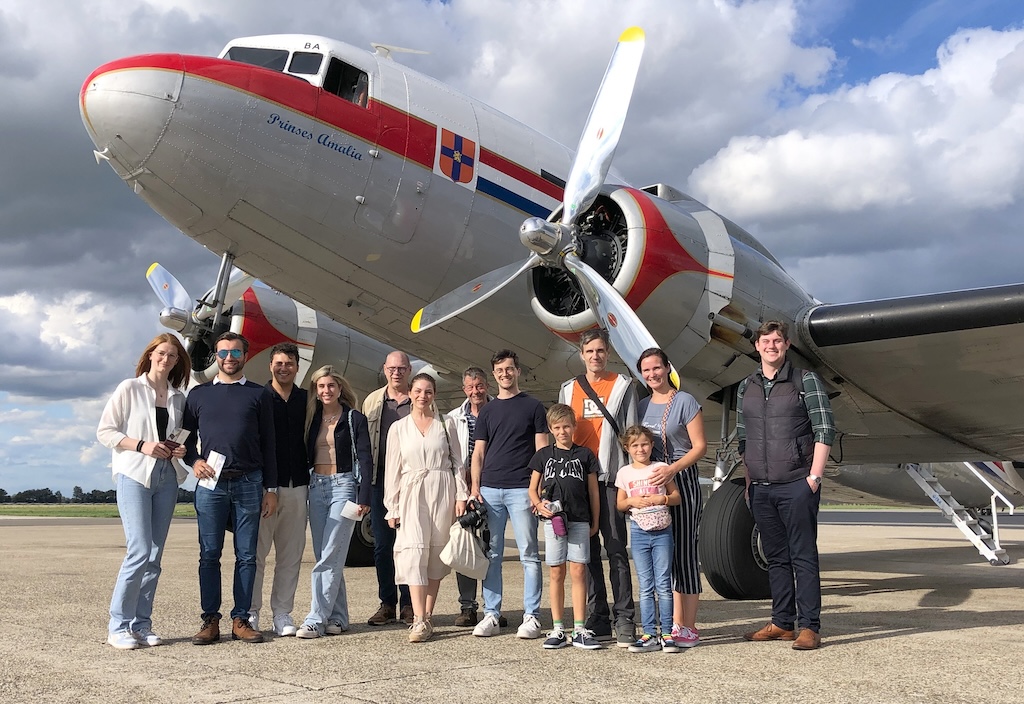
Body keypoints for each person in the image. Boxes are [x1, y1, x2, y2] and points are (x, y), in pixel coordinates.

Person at [738, 320, 835, 651]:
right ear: (757, 346)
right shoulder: (745, 386)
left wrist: (814, 478)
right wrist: (750, 482)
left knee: (803, 555)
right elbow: (742, 438)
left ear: (787, 345)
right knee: (776, 557)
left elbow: (824, 429)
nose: (771, 346)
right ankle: (781, 622)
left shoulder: (805, 380)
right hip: (761, 488)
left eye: (777, 341)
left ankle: (810, 626)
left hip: (797, 483)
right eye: (766, 341)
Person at [97, 333, 191, 650]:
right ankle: (118, 626)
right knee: (138, 550)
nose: (166, 359)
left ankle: (142, 624)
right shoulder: (130, 388)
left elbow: (180, 437)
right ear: (151, 355)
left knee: (154, 556)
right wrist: (143, 446)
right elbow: (106, 432)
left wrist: (179, 450)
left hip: (167, 477)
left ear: (178, 361)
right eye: (161, 353)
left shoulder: (179, 397)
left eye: (172, 355)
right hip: (134, 473)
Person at [183, 332, 278, 645]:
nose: (229, 358)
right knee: (209, 554)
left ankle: (241, 619)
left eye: (235, 352)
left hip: (249, 481)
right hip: (210, 484)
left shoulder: (259, 395)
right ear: (215, 355)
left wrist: (271, 488)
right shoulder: (197, 396)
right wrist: (194, 462)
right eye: (223, 352)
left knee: (247, 555)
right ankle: (210, 620)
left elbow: (270, 444)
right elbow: (183, 440)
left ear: (245, 355)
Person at [557, 328, 637, 646]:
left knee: (616, 549)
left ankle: (625, 617)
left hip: (611, 480)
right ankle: (598, 616)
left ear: (608, 353)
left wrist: (630, 482)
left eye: (601, 351)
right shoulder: (568, 389)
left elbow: (630, 435)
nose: (595, 356)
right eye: (589, 351)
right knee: (586, 553)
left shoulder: (622, 386)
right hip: (578, 482)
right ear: (581, 354)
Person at [384, 373, 469, 642]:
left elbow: (457, 462)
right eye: (418, 391)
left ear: (434, 394)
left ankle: (428, 615)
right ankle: (418, 619)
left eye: (429, 391)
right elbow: (392, 470)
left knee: (435, 553)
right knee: (413, 552)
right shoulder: (399, 428)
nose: (423, 396)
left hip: (441, 489)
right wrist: (392, 507)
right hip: (411, 492)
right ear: (410, 393)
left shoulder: (447, 424)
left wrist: (461, 495)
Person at [470, 349, 548, 639]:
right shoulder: (487, 411)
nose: (505, 373)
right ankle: (491, 613)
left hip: (522, 489)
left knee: (529, 553)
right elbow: (478, 452)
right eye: (500, 370)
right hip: (490, 489)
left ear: (518, 371)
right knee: (492, 554)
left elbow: (542, 450)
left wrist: (537, 489)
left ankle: (532, 616)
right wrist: (475, 486)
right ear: (494, 375)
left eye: (510, 368)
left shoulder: (533, 406)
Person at [636, 347, 707, 648]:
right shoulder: (640, 407)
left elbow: (700, 446)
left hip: (683, 480)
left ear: (667, 368)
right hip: (653, 485)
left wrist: (672, 470)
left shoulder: (685, 401)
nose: (652, 374)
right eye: (646, 370)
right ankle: (670, 625)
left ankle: (687, 626)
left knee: (685, 553)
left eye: (657, 368)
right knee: (664, 553)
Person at [295, 365, 372, 639]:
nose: (326, 391)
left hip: (345, 486)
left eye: (331, 386)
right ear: (316, 391)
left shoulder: (354, 419)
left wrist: (364, 497)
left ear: (340, 388)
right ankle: (338, 618)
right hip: (317, 486)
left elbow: (365, 458)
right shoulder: (312, 418)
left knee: (329, 554)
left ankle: (315, 619)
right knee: (327, 556)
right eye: (321, 386)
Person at [527, 403, 601, 650]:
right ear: (550, 429)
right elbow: (532, 488)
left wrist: (595, 520)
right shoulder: (543, 456)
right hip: (554, 521)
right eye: (557, 428)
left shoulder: (585, 455)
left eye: (566, 426)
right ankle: (558, 627)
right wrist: (539, 504)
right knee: (556, 572)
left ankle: (579, 627)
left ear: (574, 427)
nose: (562, 432)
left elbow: (593, 491)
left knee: (579, 571)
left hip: (579, 518)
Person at [250, 343, 308, 637]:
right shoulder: (259, 398)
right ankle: (251, 613)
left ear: (298, 367)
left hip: (298, 485)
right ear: (270, 366)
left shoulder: (308, 400)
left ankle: (282, 613)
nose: (283, 368)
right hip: (263, 489)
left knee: (290, 555)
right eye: (279, 363)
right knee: (256, 554)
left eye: (289, 363)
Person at [446, 367, 506, 628]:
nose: (475, 391)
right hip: (465, 488)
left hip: (492, 485)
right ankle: (467, 607)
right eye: (470, 387)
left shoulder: (499, 411)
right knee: (466, 546)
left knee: (492, 549)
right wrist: (463, 491)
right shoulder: (452, 418)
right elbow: (453, 460)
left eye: (479, 386)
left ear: (487, 386)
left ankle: (493, 608)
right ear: (464, 389)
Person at [615, 425, 682, 653]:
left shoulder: (661, 468)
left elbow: (676, 497)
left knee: (663, 584)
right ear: (627, 448)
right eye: (635, 445)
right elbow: (620, 503)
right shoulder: (624, 473)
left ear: (651, 445)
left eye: (644, 444)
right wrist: (634, 502)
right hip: (639, 531)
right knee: (645, 586)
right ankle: (648, 634)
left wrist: (659, 499)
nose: (640, 449)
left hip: (662, 530)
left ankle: (666, 633)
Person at [362, 351, 415, 626]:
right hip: (379, 481)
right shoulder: (372, 401)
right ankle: (387, 603)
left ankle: (409, 604)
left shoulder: (419, 399)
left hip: (411, 482)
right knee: (382, 545)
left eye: (402, 368)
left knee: (409, 545)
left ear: (408, 370)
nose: (396, 372)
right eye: (392, 368)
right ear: (385, 369)